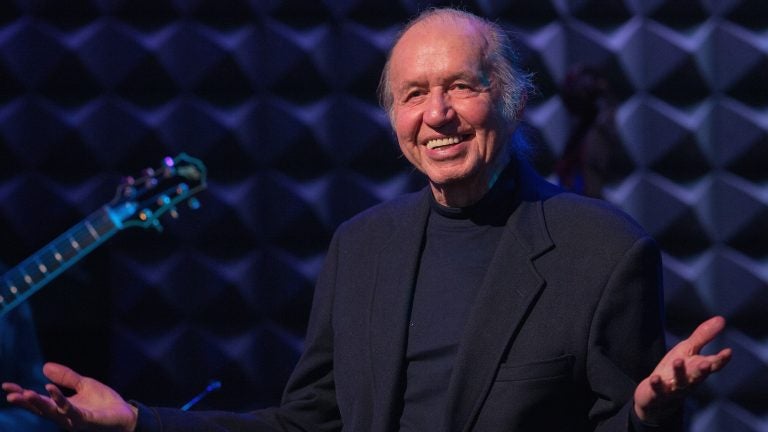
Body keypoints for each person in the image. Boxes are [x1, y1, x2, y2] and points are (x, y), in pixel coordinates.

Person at [3, 8, 731, 432]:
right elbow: (304, 426)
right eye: (414, 94)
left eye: (461, 87)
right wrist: (140, 422)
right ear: (393, 119)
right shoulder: (362, 247)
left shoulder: (601, 250)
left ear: (510, 101)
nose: (437, 113)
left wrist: (643, 416)